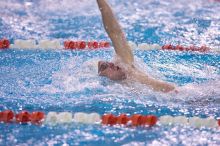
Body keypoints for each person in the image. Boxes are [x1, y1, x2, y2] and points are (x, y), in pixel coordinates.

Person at [96, 0, 176, 93]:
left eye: (108, 63)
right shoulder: (120, 89)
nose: (111, 64)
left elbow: (114, 32)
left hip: (180, 94)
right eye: (105, 67)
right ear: (108, 80)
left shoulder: (125, 64)